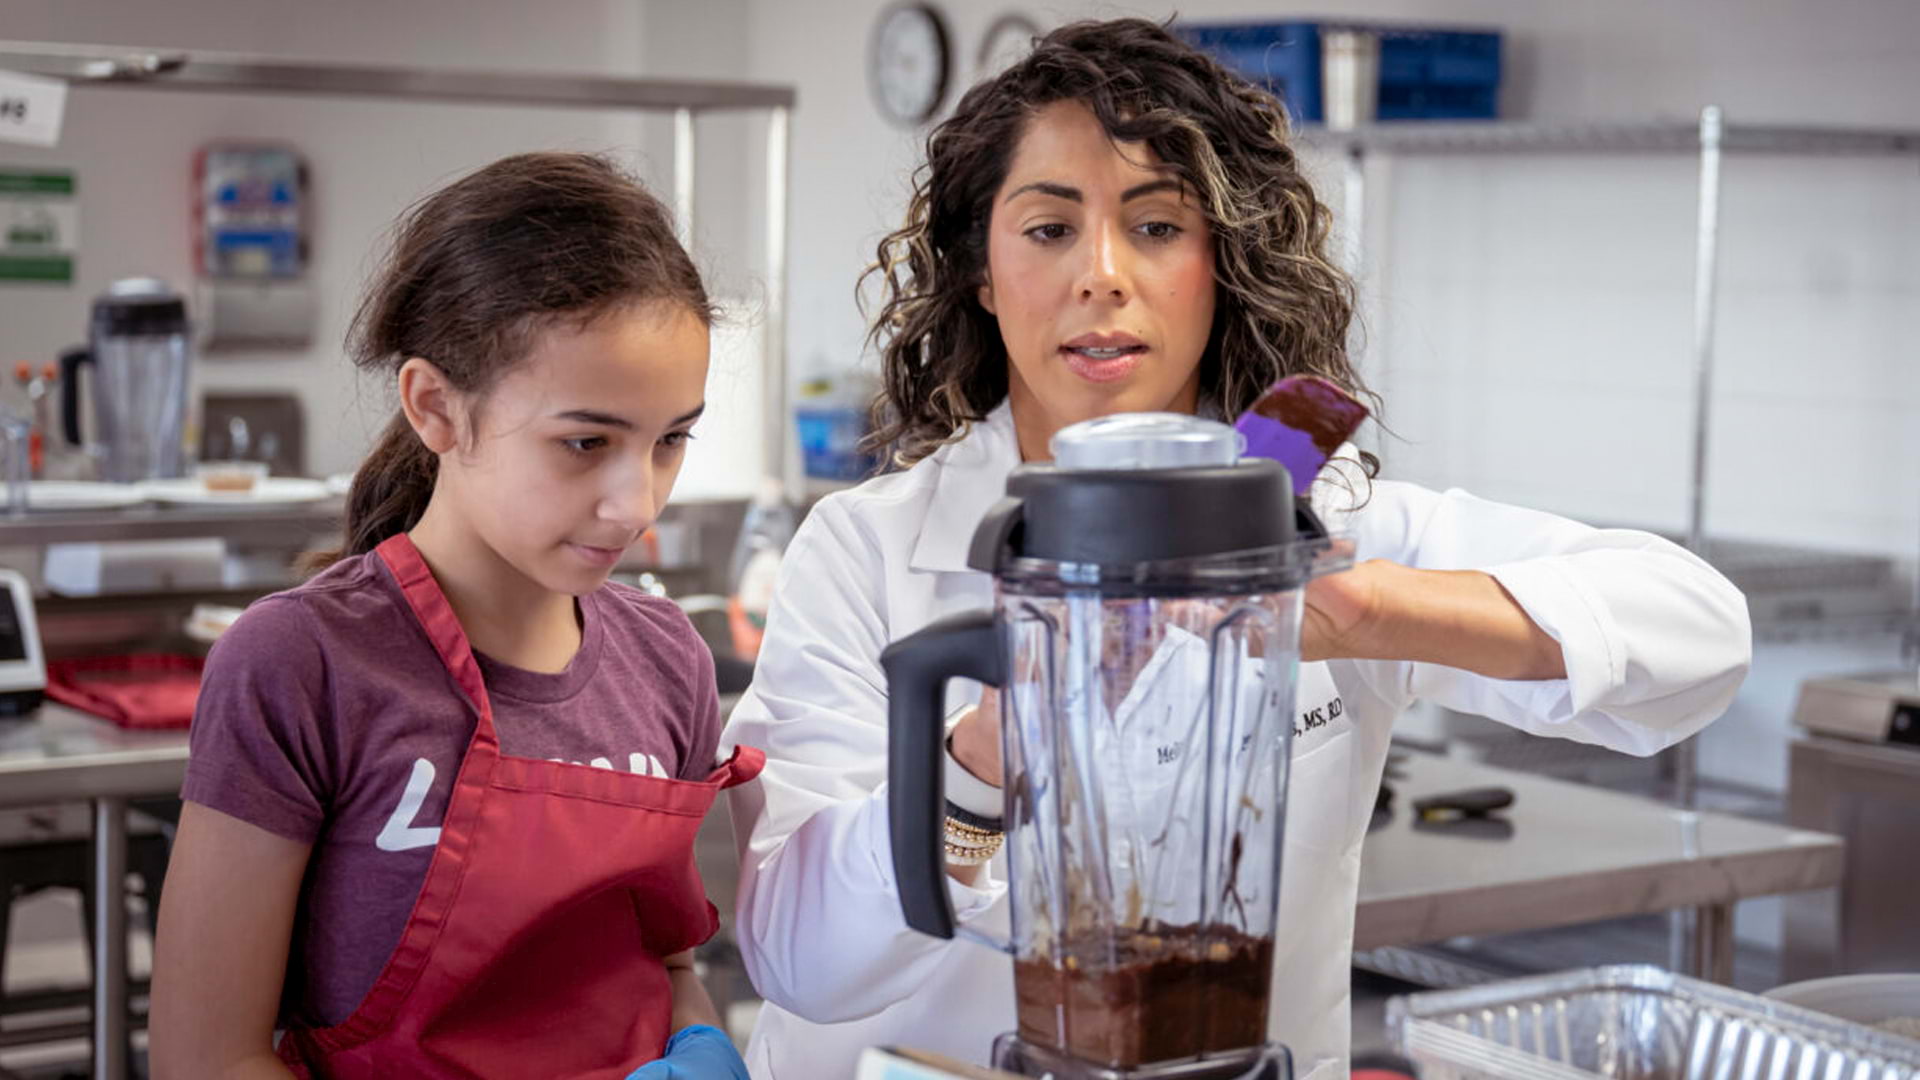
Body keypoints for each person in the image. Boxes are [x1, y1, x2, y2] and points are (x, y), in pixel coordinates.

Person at [723, 19, 1751, 1080]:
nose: (1103, 276)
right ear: (980, 271)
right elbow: (799, 962)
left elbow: (1699, 633)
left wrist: (1372, 615)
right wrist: (981, 763)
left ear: (1223, 265)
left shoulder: (1319, 524)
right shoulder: (867, 550)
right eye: (1048, 230)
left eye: (1159, 226)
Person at [150, 153, 756, 1080]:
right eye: (586, 442)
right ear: (436, 406)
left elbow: (669, 963)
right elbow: (207, 1057)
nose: (638, 503)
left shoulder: (666, 658)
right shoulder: (304, 664)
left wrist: (699, 1042)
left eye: (670, 440)